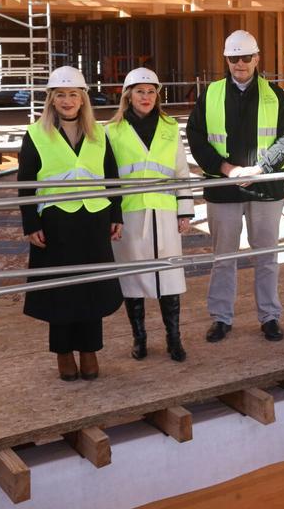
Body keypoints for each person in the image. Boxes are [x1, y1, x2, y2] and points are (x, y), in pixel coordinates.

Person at [185, 30, 284, 343]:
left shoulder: (275, 95)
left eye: (246, 57)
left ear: (257, 58)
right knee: (223, 258)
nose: (240, 64)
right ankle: (221, 318)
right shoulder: (211, 94)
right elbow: (195, 136)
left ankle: (270, 317)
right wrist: (227, 169)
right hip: (224, 189)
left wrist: (261, 169)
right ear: (226, 60)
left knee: (267, 257)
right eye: (234, 58)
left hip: (265, 189)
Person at [18, 66, 123, 382]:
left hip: (94, 220)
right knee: (62, 289)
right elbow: (25, 182)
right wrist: (30, 222)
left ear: (82, 99)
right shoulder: (36, 134)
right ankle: (64, 352)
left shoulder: (99, 133)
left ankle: (89, 350)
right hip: (56, 223)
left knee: (90, 287)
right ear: (51, 99)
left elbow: (111, 178)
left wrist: (115, 214)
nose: (67, 101)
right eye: (60, 95)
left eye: (73, 95)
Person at [105, 67, 194, 363]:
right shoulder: (111, 131)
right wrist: (111, 216)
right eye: (140, 91)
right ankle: (139, 339)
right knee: (133, 280)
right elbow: (108, 178)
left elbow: (181, 172)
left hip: (165, 212)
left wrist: (185, 211)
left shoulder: (170, 127)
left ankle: (174, 338)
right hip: (129, 214)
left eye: (151, 91)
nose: (146, 97)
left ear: (157, 95)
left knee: (169, 276)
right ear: (128, 96)